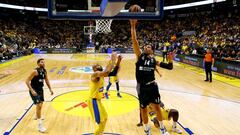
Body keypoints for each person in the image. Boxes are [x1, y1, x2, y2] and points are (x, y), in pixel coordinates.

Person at [130, 20, 173, 135]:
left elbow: (169, 67)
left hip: (153, 86)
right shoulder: (139, 56)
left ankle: (162, 129)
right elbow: (134, 41)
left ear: (152, 50)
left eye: (149, 46)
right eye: (146, 46)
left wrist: (171, 60)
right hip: (142, 88)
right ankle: (146, 129)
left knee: (157, 107)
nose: (147, 47)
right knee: (143, 109)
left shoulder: (154, 60)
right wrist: (133, 26)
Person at [87, 53, 122, 135]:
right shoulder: (95, 74)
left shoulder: (101, 75)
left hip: (98, 101)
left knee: (105, 118)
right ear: (94, 69)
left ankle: (100, 133)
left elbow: (113, 73)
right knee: (100, 122)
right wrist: (113, 59)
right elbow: (106, 72)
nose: (98, 65)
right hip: (93, 101)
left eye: (98, 65)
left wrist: (119, 61)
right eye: (96, 66)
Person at [26, 58, 54, 133]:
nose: (43, 63)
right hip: (34, 90)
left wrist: (50, 89)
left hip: (40, 90)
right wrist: (31, 90)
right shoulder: (35, 71)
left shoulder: (44, 71)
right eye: (42, 62)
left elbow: (47, 80)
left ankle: (37, 115)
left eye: (44, 62)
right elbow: (27, 81)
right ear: (38, 64)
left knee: (40, 105)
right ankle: (40, 125)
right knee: (39, 105)